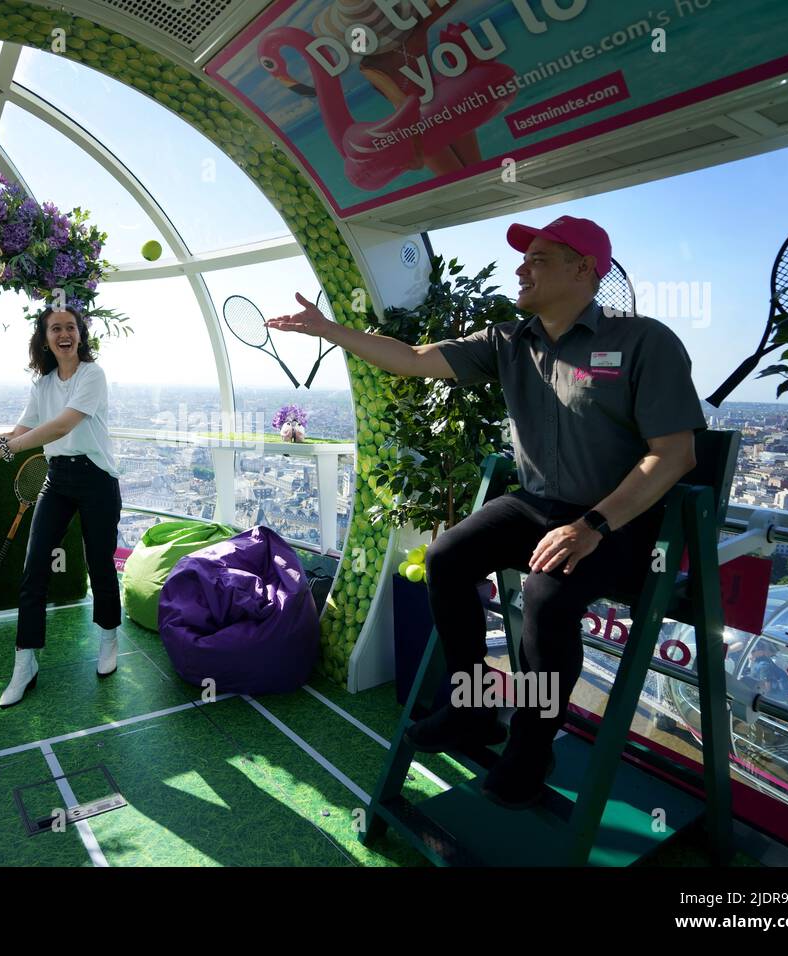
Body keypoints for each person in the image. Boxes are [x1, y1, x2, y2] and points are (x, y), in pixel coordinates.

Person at [267, 216, 706, 809]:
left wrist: (593, 525)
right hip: (538, 505)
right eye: (524, 259)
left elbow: (674, 454)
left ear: (585, 270)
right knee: (447, 557)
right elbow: (414, 357)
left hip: (622, 522)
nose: (522, 269)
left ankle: (531, 746)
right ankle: (470, 709)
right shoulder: (509, 340)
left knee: (548, 598)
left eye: (540, 259)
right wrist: (328, 329)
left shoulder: (643, 343)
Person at [0, 305, 123, 708]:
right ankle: (26, 663)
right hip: (57, 480)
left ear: (81, 335)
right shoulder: (42, 386)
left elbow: (60, 426)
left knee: (100, 563)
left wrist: (3, 450)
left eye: (71, 327)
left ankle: (109, 636)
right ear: (45, 338)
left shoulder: (93, 375)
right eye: (56, 328)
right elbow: (18, 433)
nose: (64, 334)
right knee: (33, 568)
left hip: (96, 480)